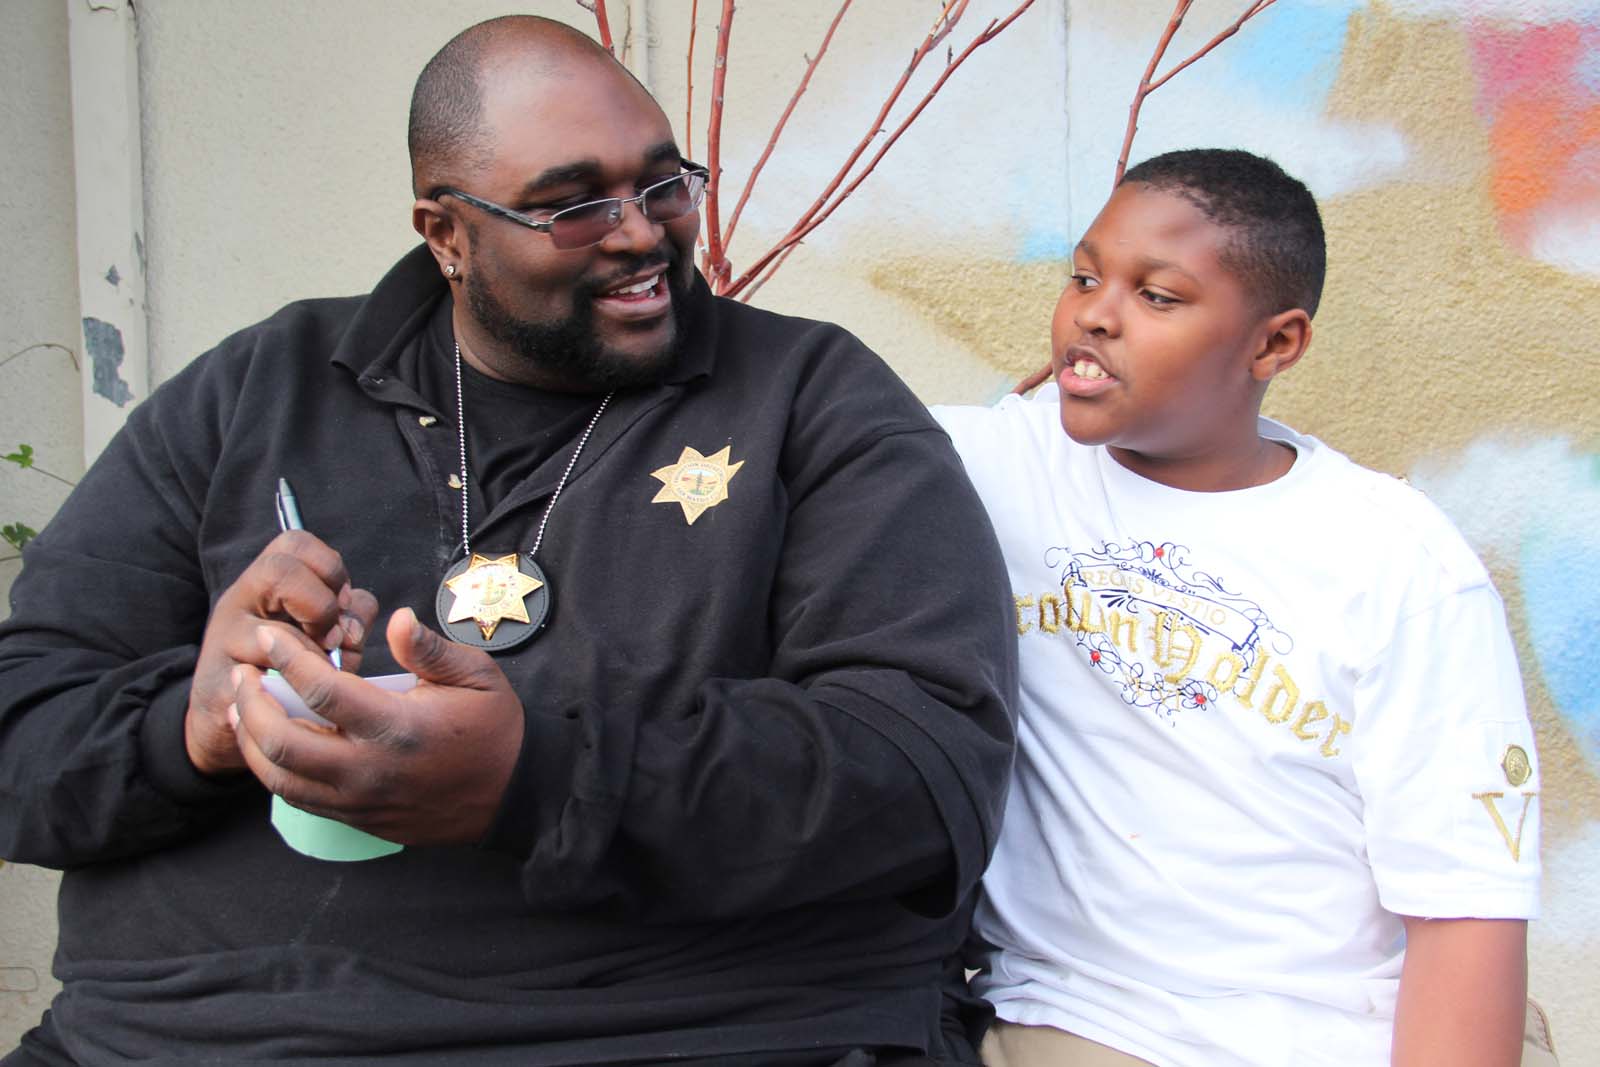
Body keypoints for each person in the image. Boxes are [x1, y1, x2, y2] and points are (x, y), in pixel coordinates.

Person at [0, 16, 1016, 1065]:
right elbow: (24, 735)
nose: (641, 233)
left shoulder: (809, 398)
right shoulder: (259, 391)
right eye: (574, 206)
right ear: (445, 232)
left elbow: (924, 768)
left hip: (685, 1032)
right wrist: (197, 724)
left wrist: (539, 777)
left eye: (663, 186)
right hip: (194, 1032)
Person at [934, 149, 1541, 1067]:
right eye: (1085, 277)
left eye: (1157, 295)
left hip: (1347, 1033)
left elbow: (1466, 908)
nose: (1095, 313)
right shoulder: (986, 465)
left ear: (1274, 345)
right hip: (1095, 1025)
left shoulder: (1398, 564)